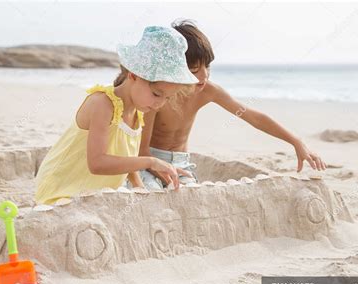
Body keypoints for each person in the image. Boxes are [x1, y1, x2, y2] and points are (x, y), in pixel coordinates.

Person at [139, 20, 326, 190]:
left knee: (188, 195)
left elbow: (253, 117)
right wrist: (161, 172)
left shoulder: (208, 90)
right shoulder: (158, 95)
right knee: (152, 193)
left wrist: (296, 142)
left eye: (208, 67)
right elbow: (141, 151)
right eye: (195, 69)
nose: (204, 76)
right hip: (150, 161)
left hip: (182, 163)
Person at [35, 26, 198, 205]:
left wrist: (138, 186)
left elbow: (128, 159)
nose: (160, 104)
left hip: (94, 194)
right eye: (157, 94)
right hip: (63, 189)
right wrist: (150, 162)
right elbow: (96, 163)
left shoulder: (138, 110)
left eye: (167, 98)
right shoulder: (102, 103)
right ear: (134, 75)